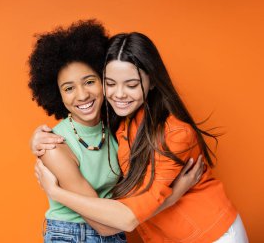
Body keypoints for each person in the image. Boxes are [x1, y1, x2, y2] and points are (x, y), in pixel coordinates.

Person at [33, 32, 249, 242]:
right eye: (111, 83)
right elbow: (112, 222)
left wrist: (55, 191)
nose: (119, 94)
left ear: (151, 82)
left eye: (132, 85)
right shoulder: (116, 121)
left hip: (208, 233)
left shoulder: (170, 133)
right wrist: (37, 141)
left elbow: (124, 219)